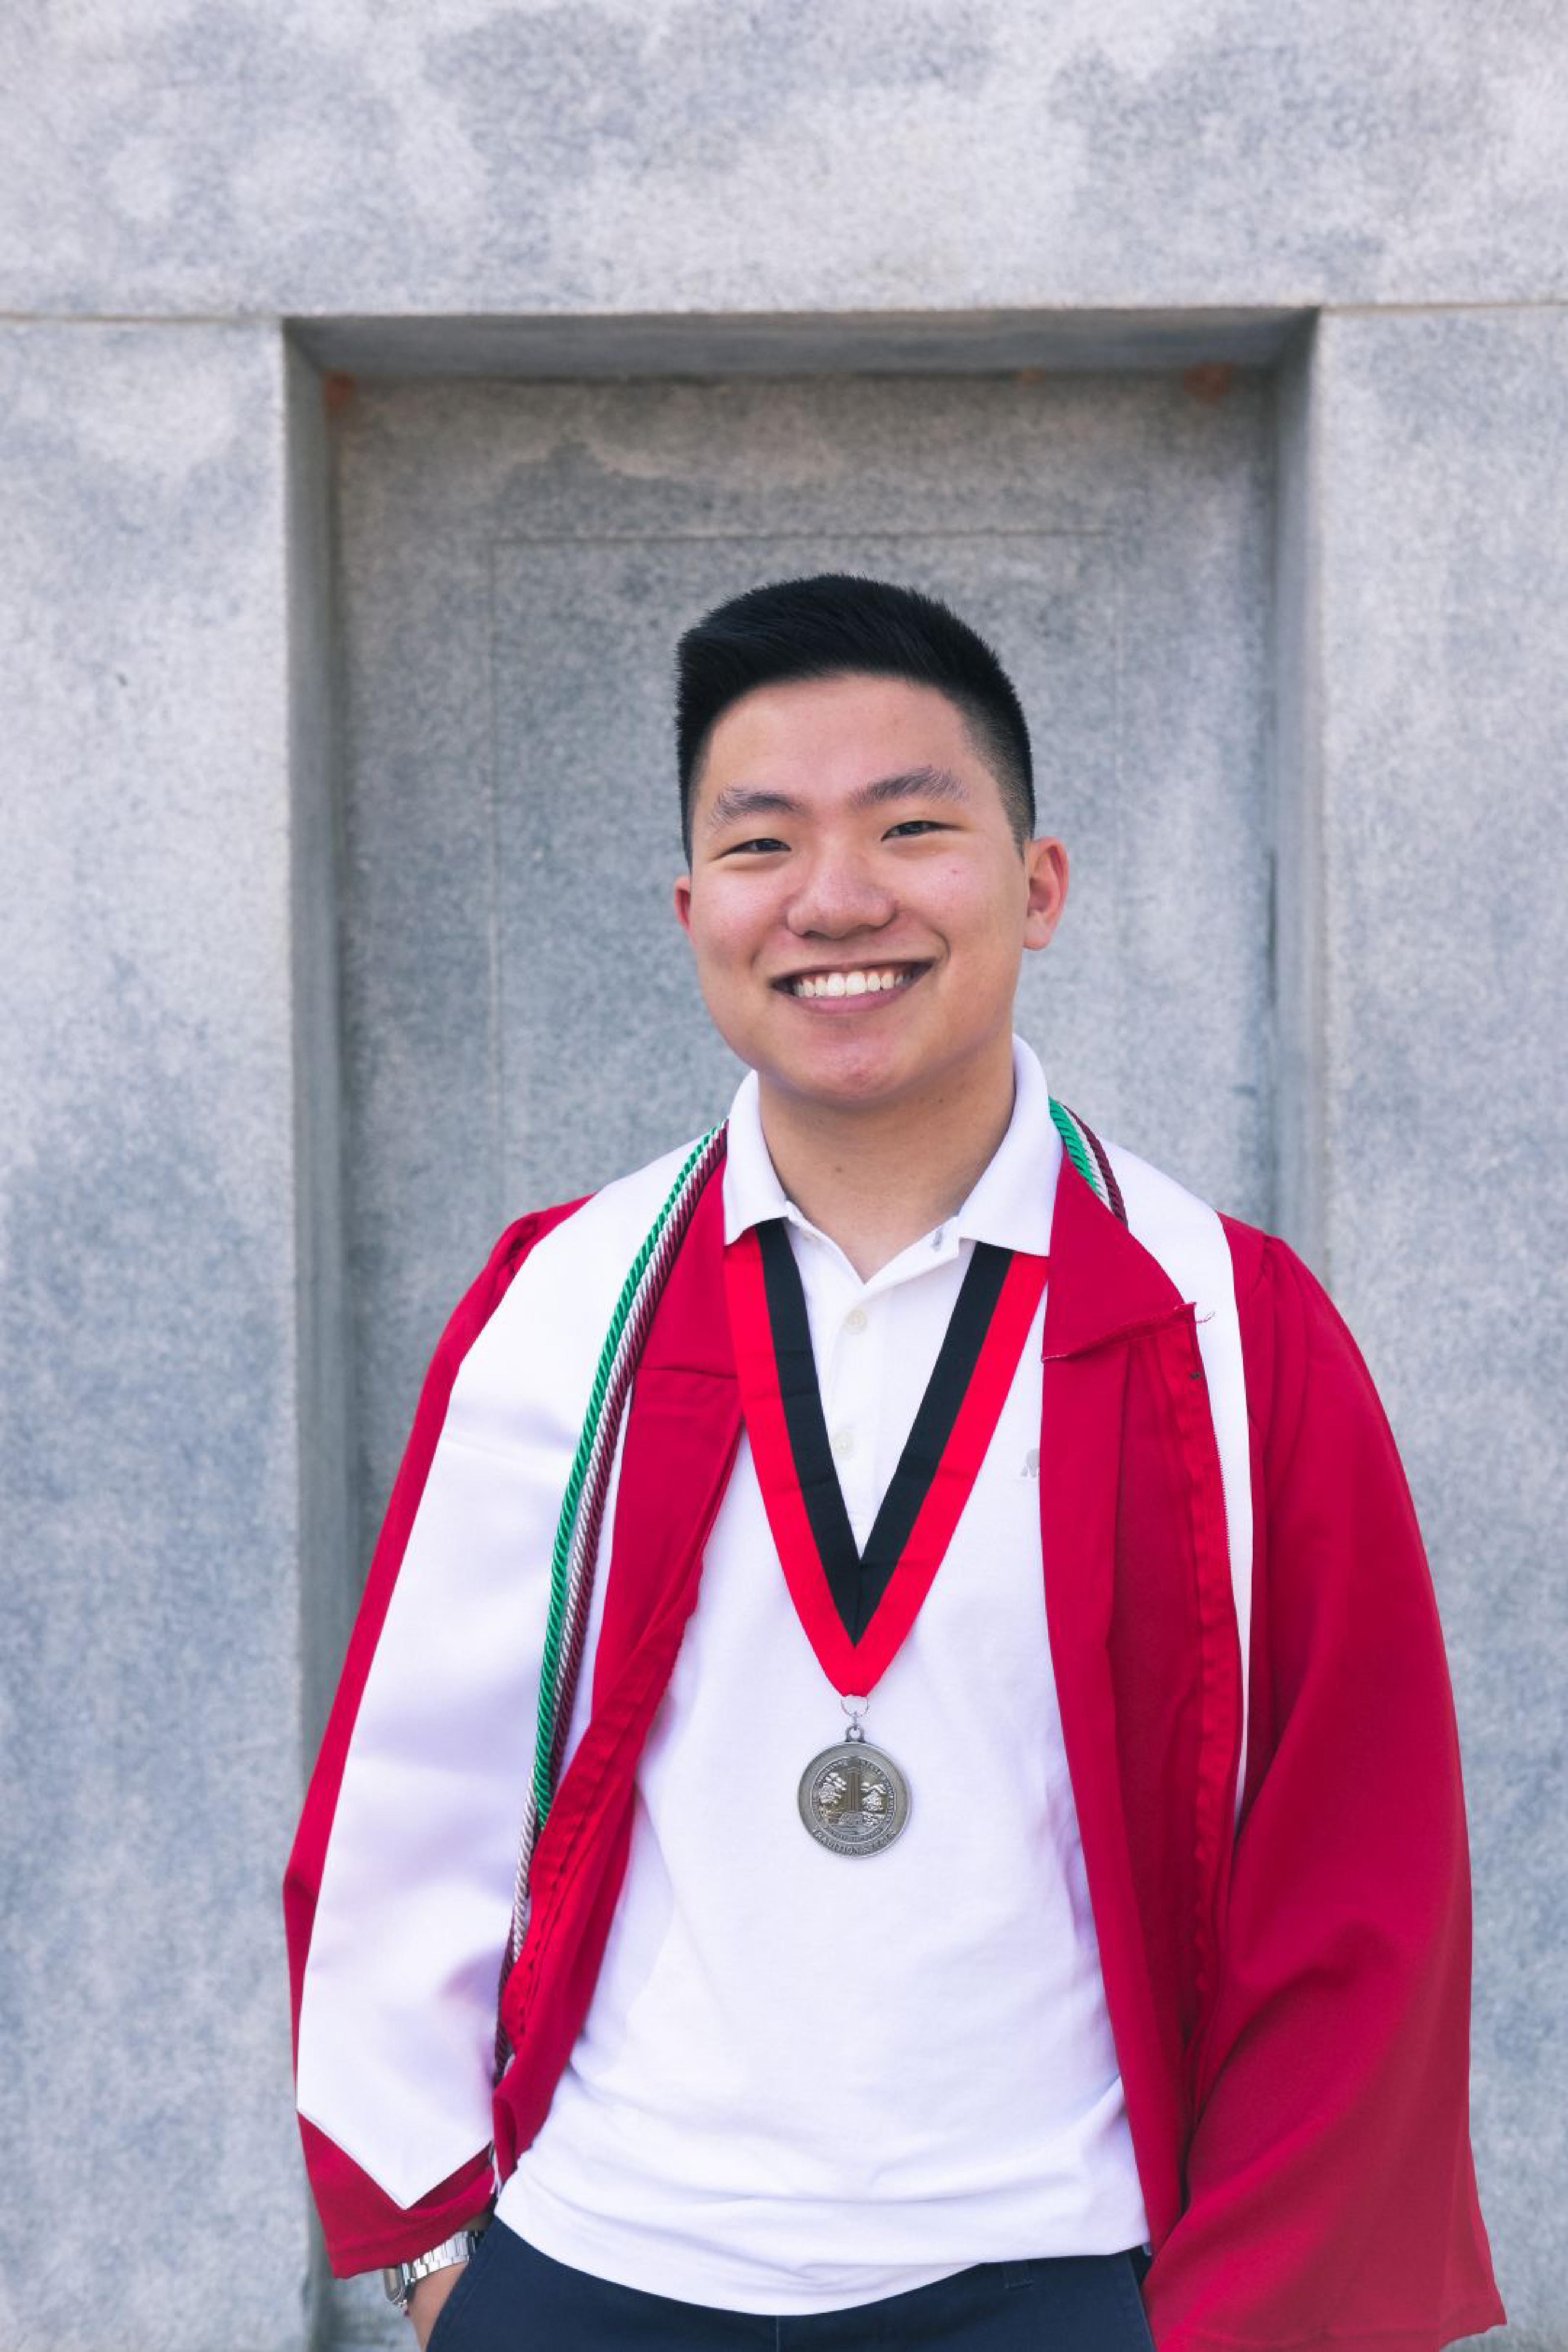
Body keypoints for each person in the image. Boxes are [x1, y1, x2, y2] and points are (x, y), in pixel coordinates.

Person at [285, 575, 1505, 2350]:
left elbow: (1360, 1879)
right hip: (603, 2266)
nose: (838, 900)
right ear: (694, 910)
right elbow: (412, 1799)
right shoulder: (562, 1308)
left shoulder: (1230, 1330)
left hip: (1065, 2276)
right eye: (765, 842)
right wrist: (433, 2249)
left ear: (1039, 885)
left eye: (914, 827)